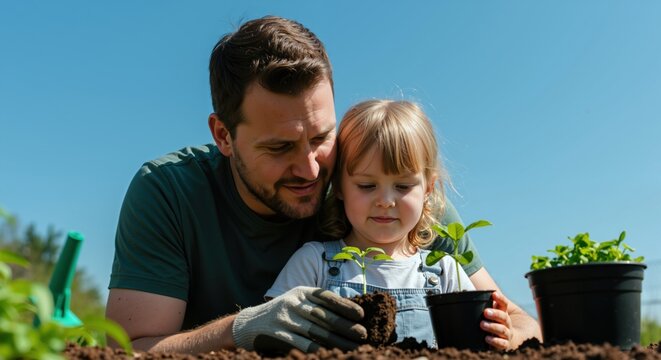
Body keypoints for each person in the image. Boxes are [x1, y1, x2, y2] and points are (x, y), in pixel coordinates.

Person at [105, 15, 541, 355]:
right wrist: (240, 330)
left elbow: (521, 324)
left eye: (320, 139)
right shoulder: (168, 192)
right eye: (279, 148)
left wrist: (506, 332)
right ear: (223, 135)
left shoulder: (387, 188)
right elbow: (126, 352)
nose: (311, 170)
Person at [266, 99, 477, 347]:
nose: (386, 201)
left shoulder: (444, 273)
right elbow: (269, 331)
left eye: (403, 186)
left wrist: (496, 326)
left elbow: (476, 340)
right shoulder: (315, 264)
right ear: (339, 187)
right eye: (367, 186)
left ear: (428, 188)